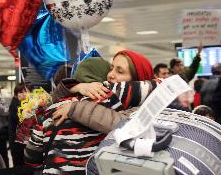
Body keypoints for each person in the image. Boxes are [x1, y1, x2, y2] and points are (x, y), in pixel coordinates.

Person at [24, 50, 158, 174]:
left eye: (120, 71)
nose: (111, 75)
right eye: (111, 68)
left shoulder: (53, 108)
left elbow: (31, 158)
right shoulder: (111, 96)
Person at [8, 82, 28, 167]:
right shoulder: (15, 106)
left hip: (25, 142)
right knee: (20, 166)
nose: (24, 94)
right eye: (20, 92)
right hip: (17, 144)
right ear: (16, 95)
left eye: (25, 91)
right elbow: (20, 120)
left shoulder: (26, 104)